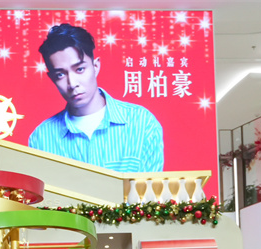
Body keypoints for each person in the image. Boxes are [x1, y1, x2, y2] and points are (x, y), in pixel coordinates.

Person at [28, 23, 164, 173]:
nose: (72, 83)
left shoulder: (142, 122)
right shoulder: (41, 138)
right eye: (60, 75)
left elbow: (150, 187)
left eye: (80, 69)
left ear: (95, 67)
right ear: (52, 78)